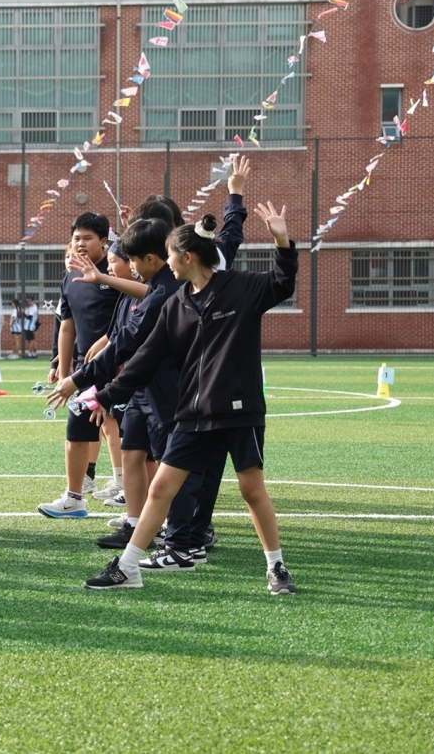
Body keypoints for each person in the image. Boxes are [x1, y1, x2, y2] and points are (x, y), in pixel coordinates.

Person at [76, 203, 297, 595]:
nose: (167, 265)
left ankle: (276, 567)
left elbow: (282, 282)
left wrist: (281, 240)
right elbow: (144, 360)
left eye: (171, 256)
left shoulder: (241, 288)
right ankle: (128, 567)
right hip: (194, 413)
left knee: (251, 490)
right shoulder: (176, 303)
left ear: (187, 256)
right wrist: (105, 396)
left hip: (238, 410)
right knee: (161, 488)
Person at [36, 213, 122, 519]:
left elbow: (131, 320)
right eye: (76, 238)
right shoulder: (70, 277)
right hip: (85, 371)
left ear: (104, 241)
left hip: (120, 366)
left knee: (124, 430)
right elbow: (67, 326)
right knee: (77, 431)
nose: (81, 244)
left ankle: (129, 492)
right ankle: (74, 498)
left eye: (88, 238)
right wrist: (63, 372)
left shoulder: (115, 272)